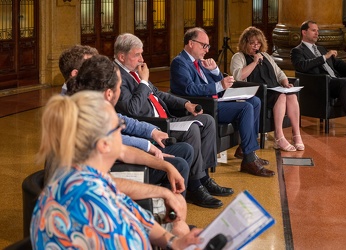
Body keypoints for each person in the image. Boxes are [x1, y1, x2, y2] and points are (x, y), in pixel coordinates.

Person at [30, 91, 202, 249]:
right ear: (104, 145)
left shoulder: (83, 175)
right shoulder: (90, 205)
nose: (122, 129)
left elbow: (136, 215)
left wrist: (173, 241)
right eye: (118, 126)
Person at [114, 33, 234, 209]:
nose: (142, 59)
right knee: (192, 128)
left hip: (167, 117)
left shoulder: (134, 71)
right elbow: (131, 109)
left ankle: (204, 178)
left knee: (206, 120)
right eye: (137, 55)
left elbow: (159, 94)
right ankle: (195, 186)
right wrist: (144, 82)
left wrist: (186, 104)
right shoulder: (117, 76)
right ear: (121, 56)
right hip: (154, 125)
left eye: (141, 53)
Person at [170, 27, 275, 178]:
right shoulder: (180, 63)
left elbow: (217, 82)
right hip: (204, 106)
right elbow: (189, 89)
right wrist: (219, 85)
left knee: (255, 101)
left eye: (208, 46)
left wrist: (214, 71)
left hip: (217, 100)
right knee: (245, 107)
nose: (206, 50)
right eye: (203, 45)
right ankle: (249, 159)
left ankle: (246, 150)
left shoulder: (199, 62)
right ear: (191, 43)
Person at [291, 20, 346, 139]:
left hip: (338, 82)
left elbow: (337, 63)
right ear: (304, 32)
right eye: (313, 30)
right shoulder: (297, 51)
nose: (317, 33)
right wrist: (324, 57)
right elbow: (302, 66)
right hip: (322, 85)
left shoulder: (321, 48)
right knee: (345, 82)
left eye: (318, 31)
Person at [230, 26, 304, 151]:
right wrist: (254, 62)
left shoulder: (266, 56)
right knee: (280, 96)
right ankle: (278, 136)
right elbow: (238, 76)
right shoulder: (238, 57)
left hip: (273, 89)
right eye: (252, 43)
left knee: (291, 95)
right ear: (245, 43)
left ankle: (296, 135)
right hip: (256, 94)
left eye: (258, 43)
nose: (255, 46)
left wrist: (285, 83)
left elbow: (279, 73)